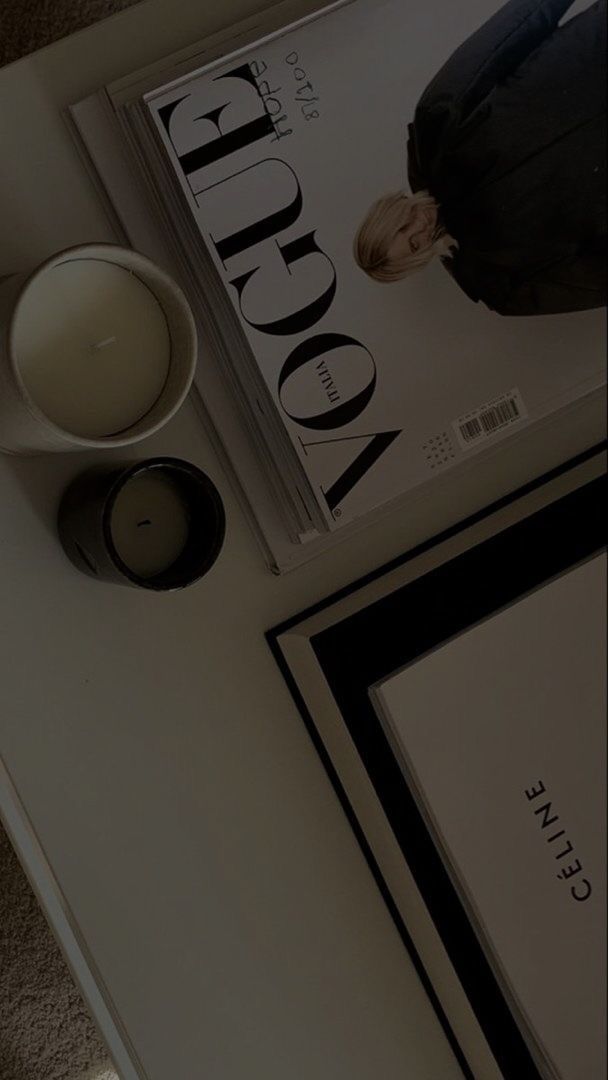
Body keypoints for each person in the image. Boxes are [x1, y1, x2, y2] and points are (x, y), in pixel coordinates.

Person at [354, 0, 607, 316]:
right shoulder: (499, 282)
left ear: (389, 209)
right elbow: (595, 278)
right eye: (414, 245)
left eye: (402, 226)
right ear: (418, 261)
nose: (418, 227)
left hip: (593, 50)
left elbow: (508, 34)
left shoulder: (435, 130)